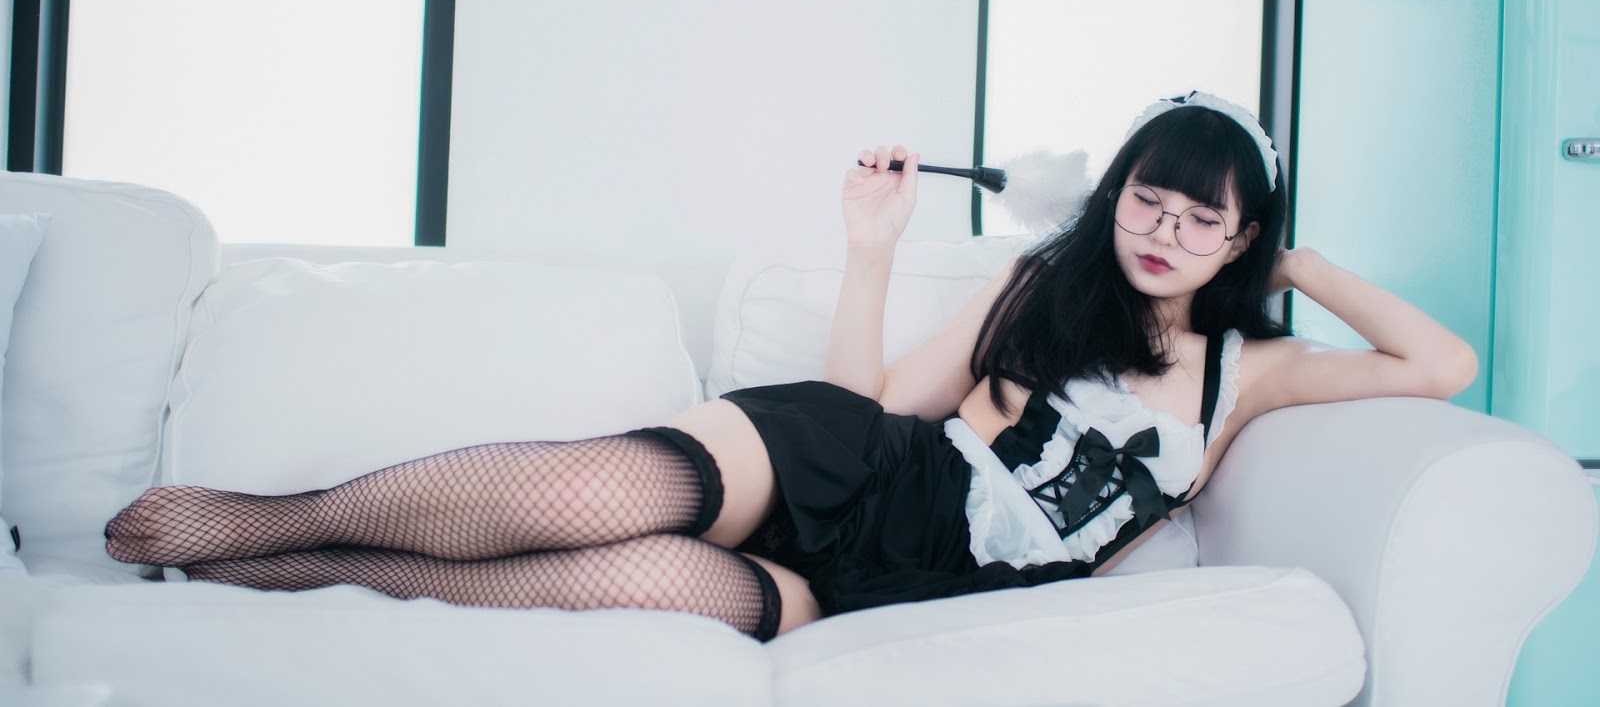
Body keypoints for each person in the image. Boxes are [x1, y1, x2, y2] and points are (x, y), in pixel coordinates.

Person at [103, 91, 1478, 644]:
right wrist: (871, 248)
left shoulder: (1256, 371)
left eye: (1201, 219)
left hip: (891, 587)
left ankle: (290, 572)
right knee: (588, 498)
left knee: (610, 583)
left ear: (1240, 236)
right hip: (857, 465)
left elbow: (1442, 363)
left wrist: (1295, 266)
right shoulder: (1037, 286)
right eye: (1147, 200)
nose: (1163, 233)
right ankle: (266, 519)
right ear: (1114, 196)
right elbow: (872, 409)